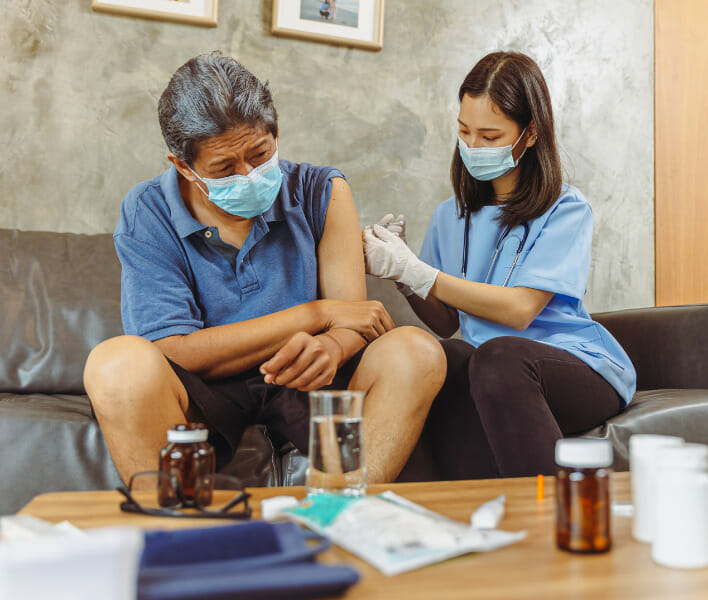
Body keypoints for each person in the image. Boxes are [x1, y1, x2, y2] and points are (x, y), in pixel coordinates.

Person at [83, 51, 446, 487]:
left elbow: (351, 318)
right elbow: (174, 348)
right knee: (115, 364)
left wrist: (332, 347)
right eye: (225, 168)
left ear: (276, 131)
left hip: (310, 384)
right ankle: (174, 530)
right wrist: (314, 315)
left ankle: (341, 514)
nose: (250, 174)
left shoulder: (323, 190)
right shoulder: (148, 210)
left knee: (417, 351)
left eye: (260, 153)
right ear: (183, 165)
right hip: (205, 394)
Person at [363, 51, 636, 479]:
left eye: (489, 137)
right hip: (490, 369)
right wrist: (402, 273)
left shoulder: (565, 208)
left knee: (497, 356)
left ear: (529, 134)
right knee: (443, 356)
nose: (472, 146)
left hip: (572, 366)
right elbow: (447, 320)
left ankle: (548, 523)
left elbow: (519, 310)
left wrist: (420, 272)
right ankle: (460, 513)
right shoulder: (448, 216)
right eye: (464, 131)